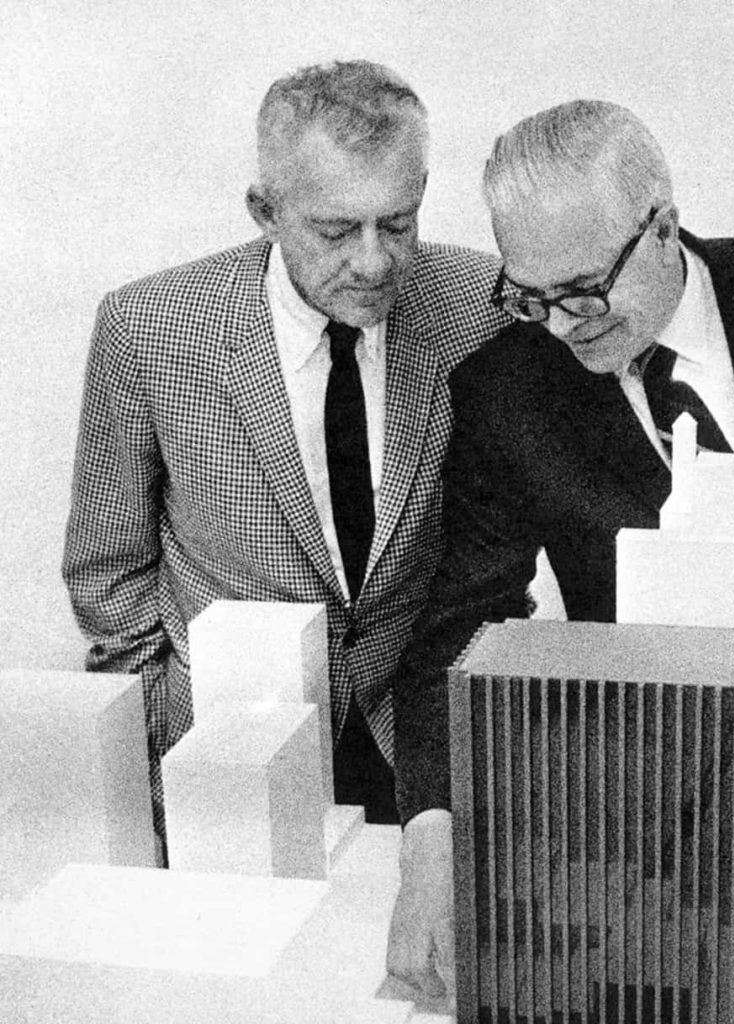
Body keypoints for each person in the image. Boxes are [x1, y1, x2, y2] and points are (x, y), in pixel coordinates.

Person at [385, 99, 734, 995]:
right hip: (657, 815)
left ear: (661, 225)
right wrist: (429, 833)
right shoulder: (505, 391)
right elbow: (453, 632)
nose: (564, 323)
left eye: (583, 288)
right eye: (530, 297)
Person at [62, 60, 507, 836]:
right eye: (335, 231)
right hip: (226, 742)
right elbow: (107, 571)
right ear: (265, 210)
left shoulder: (483, 307)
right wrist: (165, 723)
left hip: (423, 743)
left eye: (397, 224)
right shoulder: (150, 329)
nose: (373, 262)